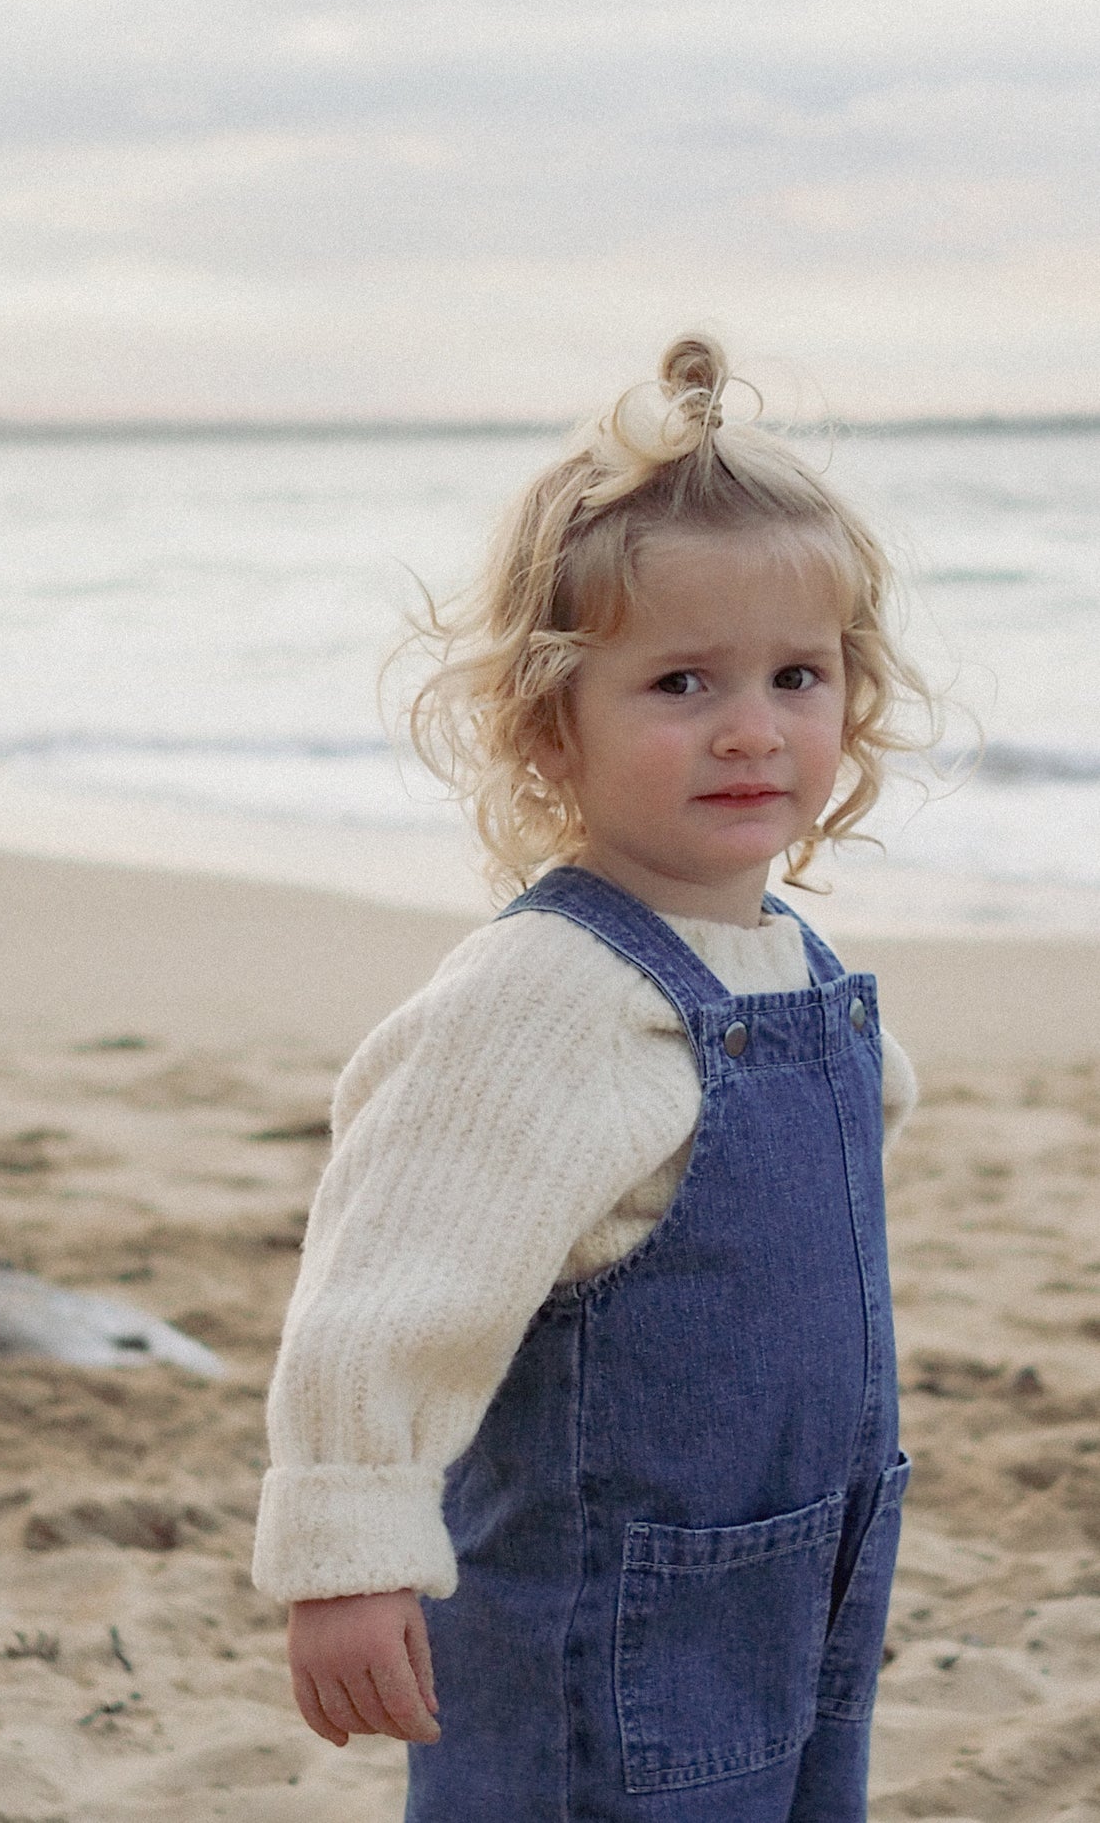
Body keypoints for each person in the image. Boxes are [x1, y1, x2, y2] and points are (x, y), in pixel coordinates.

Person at [251, 334, 933, 1821]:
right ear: (548, 719)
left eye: (794, 676)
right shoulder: (537, 999)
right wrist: (348, 1553)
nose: (751, 725)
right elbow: (382, 1290)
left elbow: (847, 1142)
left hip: (794, 1586)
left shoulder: (797, 965)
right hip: (596, 1633)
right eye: (680, 681)